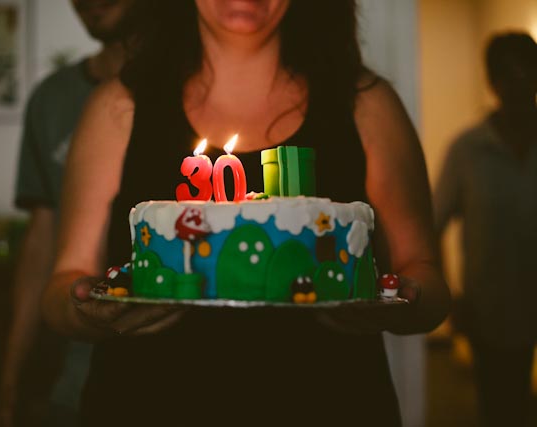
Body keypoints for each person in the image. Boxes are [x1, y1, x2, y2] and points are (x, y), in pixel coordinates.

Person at [42, 1, 451, 425]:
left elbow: (427, 280)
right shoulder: (117, 107)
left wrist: (403, 304)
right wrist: (89, 311)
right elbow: (62, 287)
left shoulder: (369, 105)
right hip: (146, 403)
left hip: (333, 403)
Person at [0, 1, 139, 426]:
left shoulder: (194, 89)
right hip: (80, 383)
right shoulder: (52, 100)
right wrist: (8, 386)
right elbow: (41, 245)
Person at [434, 32, 537, 427]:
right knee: (500, 408)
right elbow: (434, 222)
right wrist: (450, 297)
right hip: (490, 311)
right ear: (492, 81)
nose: (518, 83)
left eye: (526, 71)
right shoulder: (467, 150)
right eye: (507, 74)